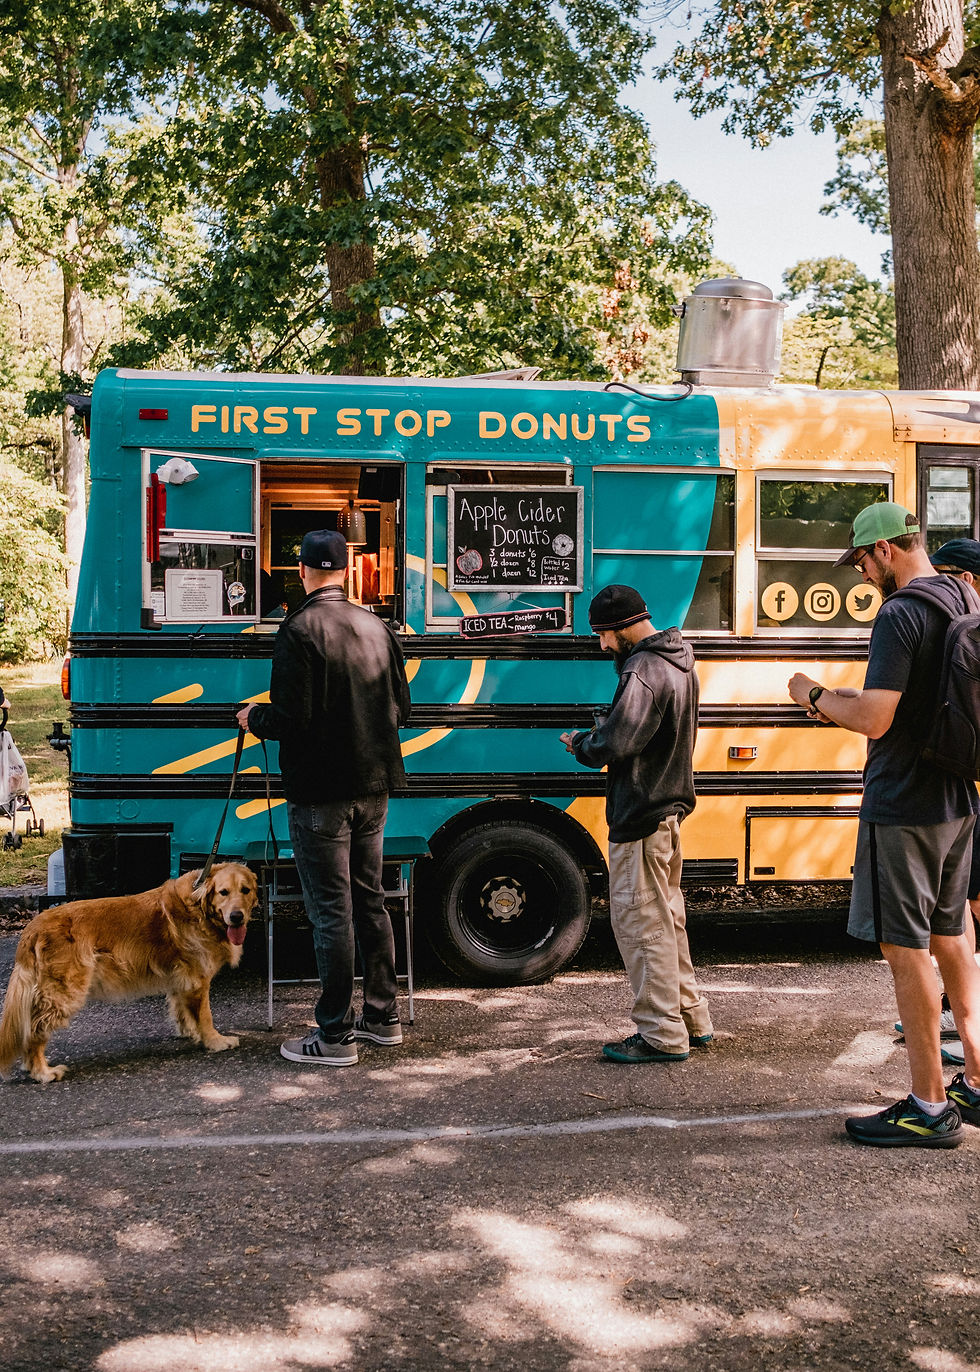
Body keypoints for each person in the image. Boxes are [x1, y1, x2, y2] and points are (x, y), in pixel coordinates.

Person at [788, 502, 980, 1147]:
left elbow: (875, 719)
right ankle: (974, 1082)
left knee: (906, 949)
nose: (863, 575)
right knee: (953, 938)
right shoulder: (961, 595)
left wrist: (813, 696)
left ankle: (927, 1107)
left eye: (863, 562)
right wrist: (842, 702)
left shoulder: (899, 614)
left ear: (886, 551)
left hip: (904, 804)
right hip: (957, 796)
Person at [237, 529, 411, 1067]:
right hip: (375, 786)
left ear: (304, 572)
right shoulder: (377, 625)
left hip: (321, 794)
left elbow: (293, 717)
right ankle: (382, 1017)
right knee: (370, 900)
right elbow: (401, 708)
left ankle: (333, 1035)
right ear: (344, 572)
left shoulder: (299, 629)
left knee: (330, 910)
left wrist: (254, 718)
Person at [560, 584, 712, 1063]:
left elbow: (619, 742)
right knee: (668, 922)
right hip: (668, 810)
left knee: (641, 925)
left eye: (604, 634)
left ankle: (661, 1035)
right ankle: (691, 1018)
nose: (602, 644)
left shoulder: (643, 669)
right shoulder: (678, 661)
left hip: (641, 813)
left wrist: (584, 743)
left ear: (624, 626)